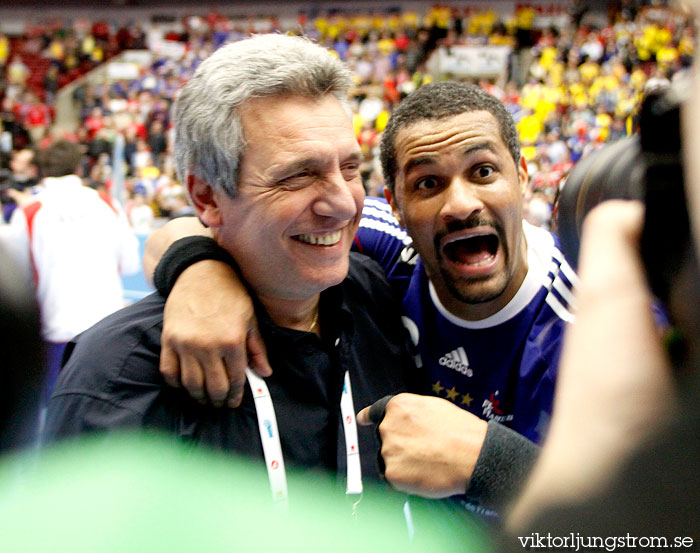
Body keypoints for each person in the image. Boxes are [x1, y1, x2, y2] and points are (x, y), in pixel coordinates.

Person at [144, 81, 576, 512]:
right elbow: (183, 230)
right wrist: (201, 273)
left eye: (483, 172)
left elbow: (637, 524)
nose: (460, 205)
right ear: (396, 206)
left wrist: (491, 464)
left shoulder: (596, 318)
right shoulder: (386, 248)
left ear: (522, 176)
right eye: (428, 183)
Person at [42, 35, 419, 504]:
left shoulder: (382, 297)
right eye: (298, 175)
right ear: (206, 197)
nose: (343, 204)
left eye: (349, 168)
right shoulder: (121, 376)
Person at [0, 140, 140, 400]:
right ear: (79, 167)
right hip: (107, 329)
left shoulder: (30, 213)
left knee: (53, 416)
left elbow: (17, 282)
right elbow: (130, 263)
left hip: (57, 332)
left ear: (41, 170)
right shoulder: (107, 204)